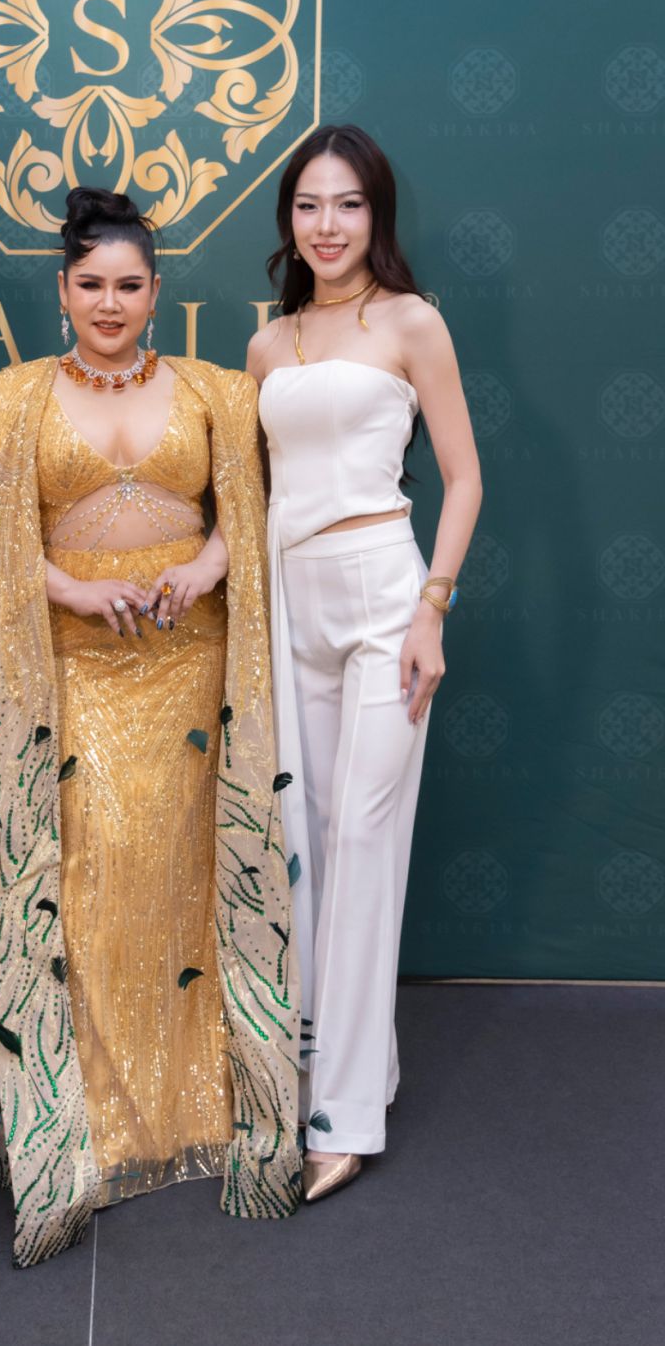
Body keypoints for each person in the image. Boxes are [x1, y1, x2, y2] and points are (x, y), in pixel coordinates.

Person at [0, 187, 299, 1268]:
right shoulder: (5, 403)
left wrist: (207, 566)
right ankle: (76, 1119)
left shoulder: (221, 392)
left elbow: (247, 512)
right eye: (90, 283)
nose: (109, 302)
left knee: (180, 877)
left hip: (189, 670)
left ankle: (196, 1107)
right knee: (84, 877)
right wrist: (73, 590)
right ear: (61, 288)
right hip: (74, 673)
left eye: (129, 284)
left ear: (156, 291)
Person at [247, 124, 482, 1202]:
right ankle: (335, 1066)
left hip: (386, 595)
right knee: (303, 840)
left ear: (375, 212)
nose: (327, 224)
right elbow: (259, 491)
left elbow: (462, 478)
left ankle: (342, 1118)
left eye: (346, 203)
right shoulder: (270, 343)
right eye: (308, 205)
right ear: (288, 219)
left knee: (365, 838)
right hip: (290, 597)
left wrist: (432, 609)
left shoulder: (411, 321)